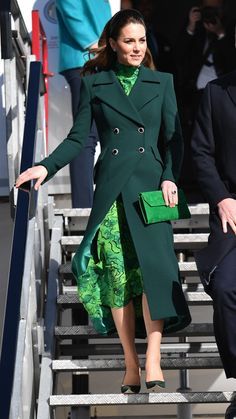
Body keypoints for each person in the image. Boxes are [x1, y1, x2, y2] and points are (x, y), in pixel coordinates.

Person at [16, 9, 191, 393]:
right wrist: (44, 168)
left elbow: (173, 140)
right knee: (118, 277)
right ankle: (130, 362)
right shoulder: (96, 84)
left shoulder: (162, 82)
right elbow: (80, 139)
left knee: (155, 275)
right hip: (111, 191)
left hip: (150, 191)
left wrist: (168, 177)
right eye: (129, 41)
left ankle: (154, 358)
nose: (136, 47)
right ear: (112, 43)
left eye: (141, 40)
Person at [192, 71, 236, 418]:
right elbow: (201, 153)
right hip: (231, 213)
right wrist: (221, 197)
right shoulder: (215, 92)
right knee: (224, 288)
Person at [175, 0, 236, 200]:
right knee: (200, 142)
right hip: (200, 94)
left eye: (214, 9)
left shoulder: (226, 34)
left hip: (226, 92)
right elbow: (178, 57)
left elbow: (230, 59)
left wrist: (220, 33)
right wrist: (191, 28)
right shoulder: (197, 34)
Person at [55, 0, 112, 207]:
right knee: (86, 135)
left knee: (99, 133)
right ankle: (83, 206)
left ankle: (93, 203)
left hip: (101, 61)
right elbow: (69, 7)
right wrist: (94, 45)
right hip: (86, 61)